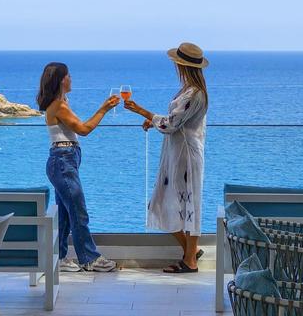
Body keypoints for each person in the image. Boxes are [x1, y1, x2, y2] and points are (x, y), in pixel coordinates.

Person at [124, 42, 209, 273]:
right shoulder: (189, 90)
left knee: (189, 203)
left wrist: (143, 112)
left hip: (186, 155)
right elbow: (175, 121)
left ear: (182, 65)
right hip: (176, 151)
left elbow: (172, 123)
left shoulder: (195, 94)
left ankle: (190, 260)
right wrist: (154, 122)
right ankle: (191, 251)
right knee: (162, 202)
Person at [37, 62, 120, 273]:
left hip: (63, 160)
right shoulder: (59, 106)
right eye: (69, 76)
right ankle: (89, 259)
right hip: (63, 162)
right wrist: (104, 108)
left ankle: (61, 257)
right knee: (78, 211)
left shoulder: (60, 103)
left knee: (66, 213)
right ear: (61, 80)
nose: (71, 79)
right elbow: (84, 129)